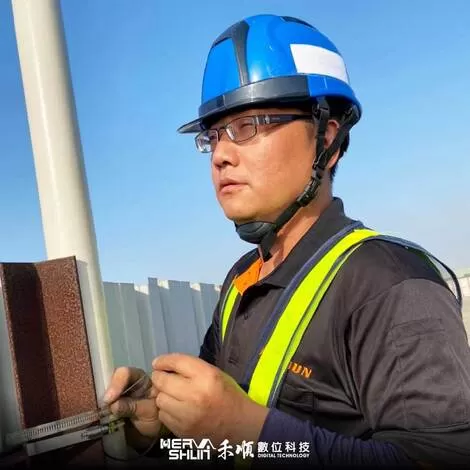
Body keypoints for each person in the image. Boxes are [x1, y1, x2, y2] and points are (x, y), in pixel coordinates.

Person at [103, 14, 470, 468]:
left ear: (326, 138)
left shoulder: (390, 285)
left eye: (249, 124)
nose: (220, 155)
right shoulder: (242, 280)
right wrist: (161, 433)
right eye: (213, 136)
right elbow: (218, 446)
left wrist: (249, 432)